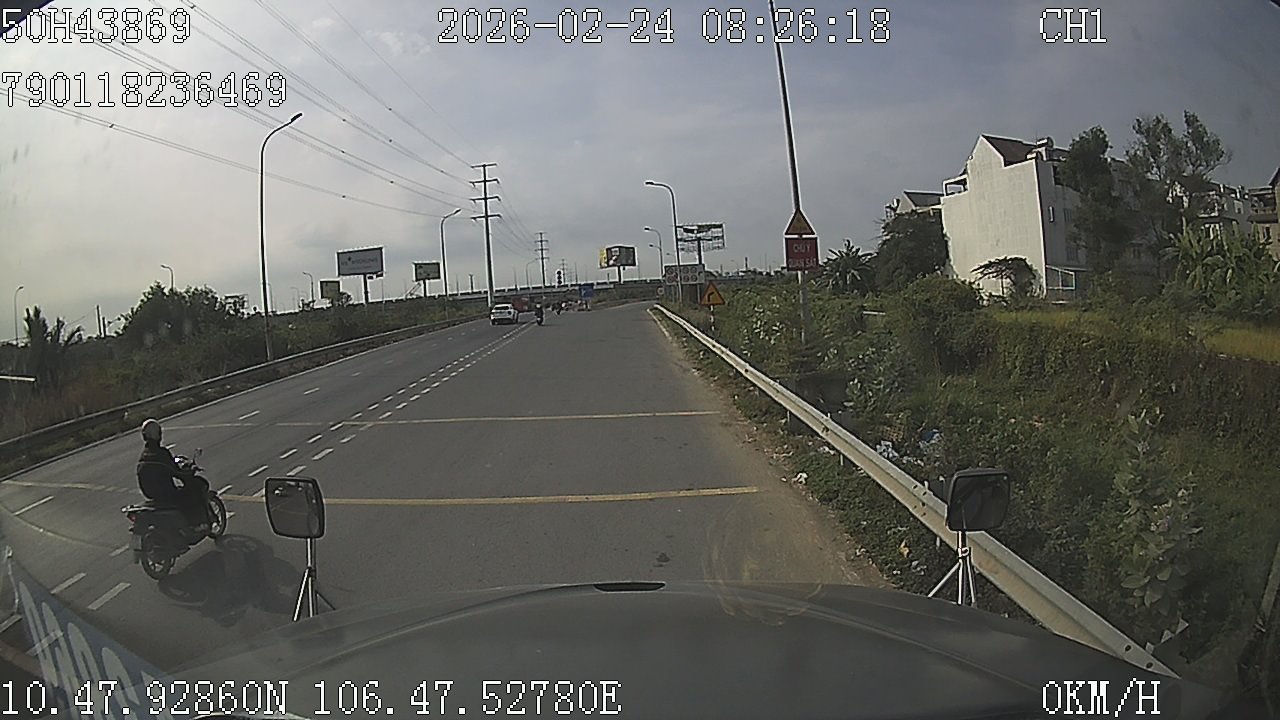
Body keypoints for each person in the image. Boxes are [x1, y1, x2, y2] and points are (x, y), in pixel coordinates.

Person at [135, 418, 210, 530]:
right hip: (166, 493)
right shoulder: (161, 453)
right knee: (193, 490)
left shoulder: (144, 455)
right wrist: (189, 472)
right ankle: (195, 524)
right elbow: (177, 472)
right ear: (158, 434)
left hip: (149, 493)